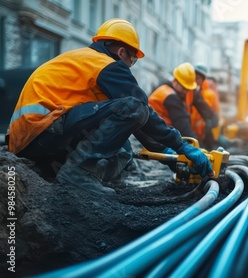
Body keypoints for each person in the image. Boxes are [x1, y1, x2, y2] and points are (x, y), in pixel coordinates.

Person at [7, 18, 213, 195]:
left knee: (123, 147)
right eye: (132, 59)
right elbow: (139, 109)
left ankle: (76, 173)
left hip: (27, 142)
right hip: (44, 130)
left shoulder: (80, 59)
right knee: (133, 108)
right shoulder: (107, 65)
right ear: (122, 51)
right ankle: (77, 173)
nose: (131, 65)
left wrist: (168, 154)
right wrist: (181, 146)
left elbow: (134, 122)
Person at [190, 65, 221, 150]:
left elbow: (205, 108)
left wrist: (212, 118)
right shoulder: (190, 91)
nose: (195, 80)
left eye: (198, 78)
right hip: (189, 129)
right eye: (194, 77)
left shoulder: (198, 93)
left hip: (201, 130)